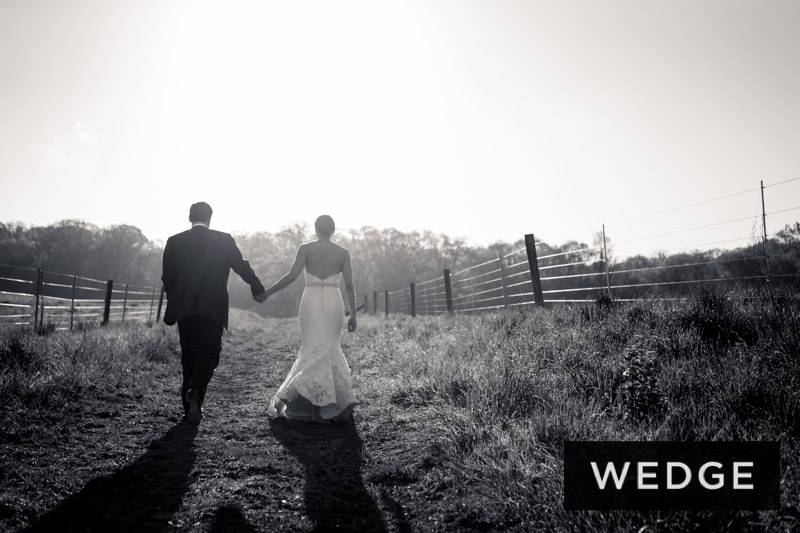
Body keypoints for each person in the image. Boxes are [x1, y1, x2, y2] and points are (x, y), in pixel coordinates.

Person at [161, 202, 266, 425]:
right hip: (213, 307)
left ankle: (187, 410)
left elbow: (167, 278)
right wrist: (256, 285)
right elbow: (241, 265)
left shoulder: (174, 241)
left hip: (185, 309)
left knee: (189, 357)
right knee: (210, 353)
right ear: (210, 219)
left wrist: (176, 300)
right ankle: (196, 391)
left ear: (190, 218)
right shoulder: (223, 239)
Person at [258, 215, 357, 423]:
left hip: (310, 300)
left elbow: (291, 276)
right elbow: (349, 285)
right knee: (330, 347)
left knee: (311, 347)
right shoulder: (343, 253)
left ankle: (308, 404)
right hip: (333, 301)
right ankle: (324, 404)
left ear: (315, 228)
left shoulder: (305, 248)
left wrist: (268, 291)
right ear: (333, 229)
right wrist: (353, 313)